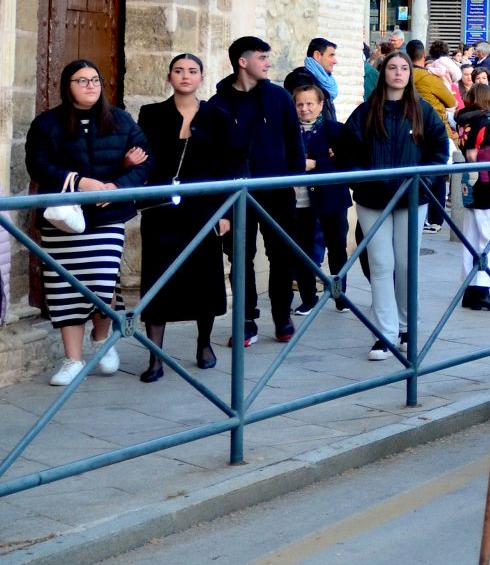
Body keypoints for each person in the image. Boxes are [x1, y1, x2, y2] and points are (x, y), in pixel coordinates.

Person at [26, 59, 149, 385]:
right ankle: (72, 359)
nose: (91, 85)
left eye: (94, 80)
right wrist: (79, 183)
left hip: (107, 218)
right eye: (82, 81)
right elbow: (38, 165)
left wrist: (117, 188)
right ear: (68, 86)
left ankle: (101, 340)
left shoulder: (121, 120)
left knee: (101, 279)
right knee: (65, 285)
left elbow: (144, 161)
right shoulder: (47, 124)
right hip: (63, 220)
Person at [339, 50, 451, 362]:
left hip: (411, 200)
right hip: (372, 200)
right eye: (393, 67)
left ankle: (406, 328)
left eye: (404, 67)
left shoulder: (423, 111)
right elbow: (348, 151)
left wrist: (423, 182)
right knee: (380, 264)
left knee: (405, 265)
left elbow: (439, 152)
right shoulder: (366, 111)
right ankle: (384, 333)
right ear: (384, 72)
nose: (399, 72)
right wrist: (360, 180)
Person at [134, 54, 235, 379]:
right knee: (157, 277)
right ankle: (155, 357)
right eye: (179, 71)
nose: (185, 76)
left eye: (192, 71)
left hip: (202, 208)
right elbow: (144, 159)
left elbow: (226, 169)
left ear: (201, 78)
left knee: (203, 277)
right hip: (162, 209)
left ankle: (204, 343)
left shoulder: (216, 115)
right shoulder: (151, 114)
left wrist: (225, 212)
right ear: (169, 77)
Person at [205, 36, 303, 346]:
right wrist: (219, 203)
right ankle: (245, 320)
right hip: (236, 197)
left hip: (276, 192)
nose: (268, 63)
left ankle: (282, 316)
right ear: (243, 62)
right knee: (240, 259)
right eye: (262, 57)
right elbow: (211, 155)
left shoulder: (279, 98)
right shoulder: (217, 104)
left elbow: (293, 142)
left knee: (282, 256)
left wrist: (293, 180)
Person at [288, 83, 351, 318]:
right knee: (302, 250)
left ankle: (339, 295)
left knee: (336, 248)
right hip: (299, 201)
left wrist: (317, 164)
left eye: (309, 103)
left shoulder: (335, 130)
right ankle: (307, 297)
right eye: (300, 104)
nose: (304, 109)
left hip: (330, 198)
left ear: (320, 105)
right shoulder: (288, 131)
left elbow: (346, 163)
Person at [453, 83, 490, 312]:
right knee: (489, 238)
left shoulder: (462, 120)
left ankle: (469, 288)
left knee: (471, 237)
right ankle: (483, 290)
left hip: (468, 180)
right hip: (487, 182)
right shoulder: (488, 121)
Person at [296, 37, 340, 122]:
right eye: (331, 55)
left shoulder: (324, 82)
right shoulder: (302, 81)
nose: (335, 61)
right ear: (317, 55)